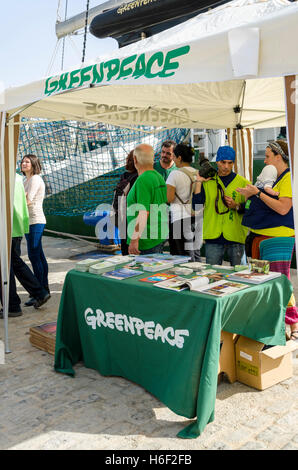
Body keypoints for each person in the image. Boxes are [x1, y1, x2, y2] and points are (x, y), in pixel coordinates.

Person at [236, 140, 298, 342]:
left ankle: (291, 323)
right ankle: (278, 324)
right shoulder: (276, 178)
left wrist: (257, 193)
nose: (265, 160)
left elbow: (283, 208)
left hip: (277, 239)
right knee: (269, 283)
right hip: (261, 238)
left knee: (280, 283)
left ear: (279, 157)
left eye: (268, 155)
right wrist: (251, 194)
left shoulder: (288, 178)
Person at [0, 174, 50, 318]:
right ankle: (39, 292)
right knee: (14, 262)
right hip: (16, 226)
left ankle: (12, 306)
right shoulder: (16, 178)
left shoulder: (7, 178)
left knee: (6, 267)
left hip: (7, 227)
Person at [192, 145, 250, 266]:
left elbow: (252, 207)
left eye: (230, 163)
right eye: (223, 162)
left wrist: (237, 205)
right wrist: (198, 181)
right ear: (217, 161)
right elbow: (196, 206)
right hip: (213, 237)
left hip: (236, 236)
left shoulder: (244, 183)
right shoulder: (208, 181)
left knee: (240, 277)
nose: (226, 167)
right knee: (212, 276)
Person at [127, 144, 168, 255]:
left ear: (135, 159)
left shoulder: (143, 180)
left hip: (146, 240)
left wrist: (134, 240)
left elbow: (143, 212)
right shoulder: (158, 177)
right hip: (158, 235)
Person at [166, 143, 203, 261]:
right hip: (197, 218)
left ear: (179, 158)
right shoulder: (198, 173)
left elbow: (169, 198)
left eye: (174, 156)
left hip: (179, 220)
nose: (173, 159)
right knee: (196, 254)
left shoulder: (175, 174)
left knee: (181, 257)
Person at [21, 154, 50, 305]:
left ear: (33, 164)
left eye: (27, 161)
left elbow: (28, 200)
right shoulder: (25, 180)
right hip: (29, 222)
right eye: (23, 161)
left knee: (34, 256)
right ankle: (43, 289)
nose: (24, 163)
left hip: (35, 220)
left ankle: (40, 291)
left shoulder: (35, 179)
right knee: (39, 256)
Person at [113, 150, 138, 255]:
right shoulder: (138, 177)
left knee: (125, 248)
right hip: (132, 217)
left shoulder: (124, 176)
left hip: (121, 216)